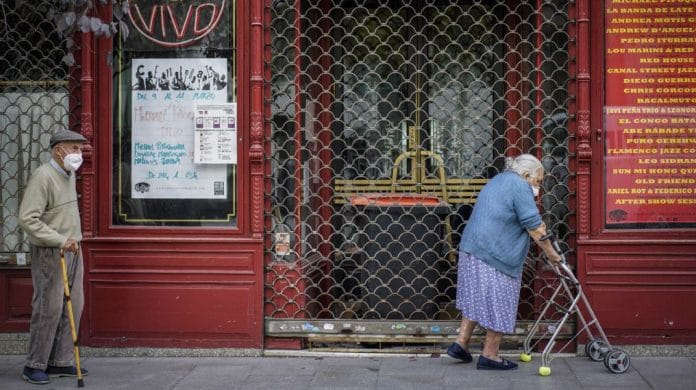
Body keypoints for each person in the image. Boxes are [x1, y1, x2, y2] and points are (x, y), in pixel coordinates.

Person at [446, 154, 562, 370]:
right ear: (527, 175)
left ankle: (460, 343)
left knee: (476, 297)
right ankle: (490, 354)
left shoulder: (499, 179)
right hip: (494, 253)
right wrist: (553, 255)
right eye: (538, 182)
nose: (537, 187)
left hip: (472, 248)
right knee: (499, 301)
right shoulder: (520, 185)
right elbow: (534, 226)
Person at [18, 129, 89, 384]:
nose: (78, 154)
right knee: (49, 307)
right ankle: (34, 364)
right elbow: (27, 218)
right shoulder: (43, 176)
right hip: (51, 251)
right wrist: (60, 240)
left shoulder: (67, 174)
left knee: (74, 305)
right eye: (74, 148)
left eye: (80, 149)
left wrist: (71, 241)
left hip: (73, 248)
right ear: (58, 150)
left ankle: (60, 360)